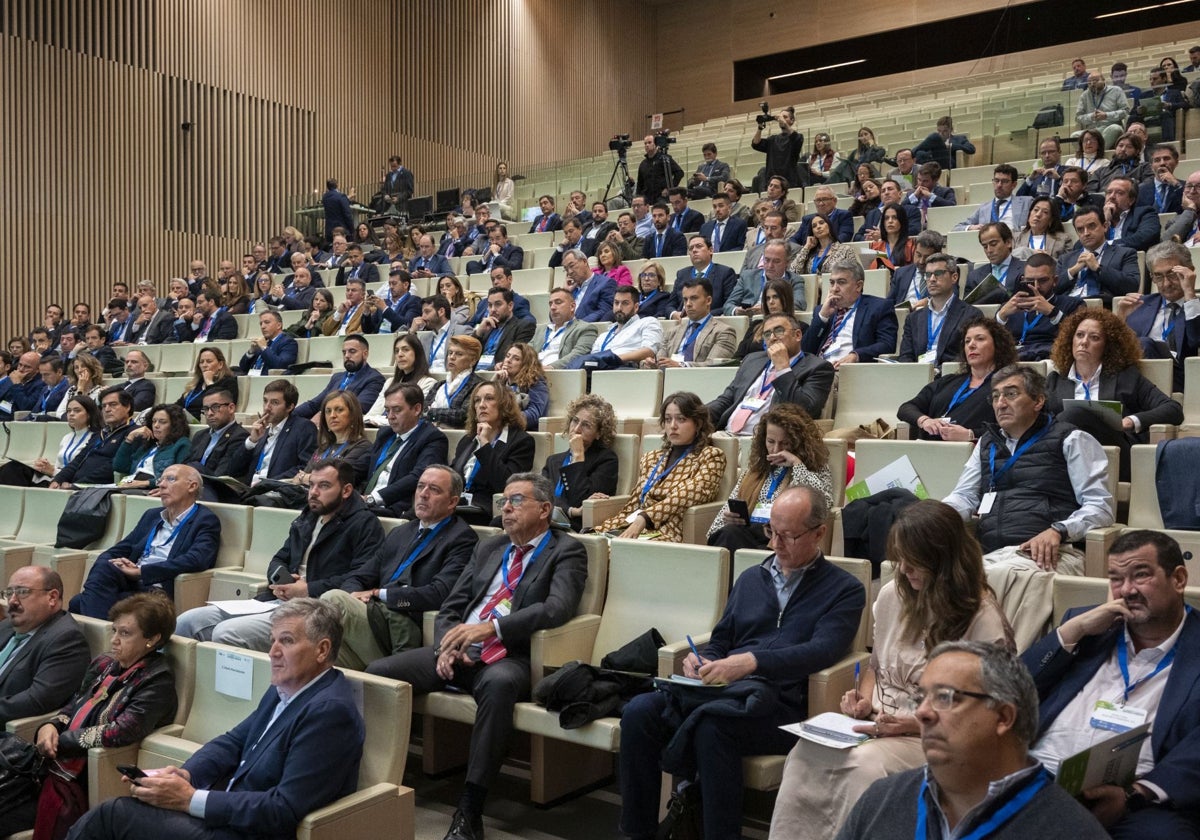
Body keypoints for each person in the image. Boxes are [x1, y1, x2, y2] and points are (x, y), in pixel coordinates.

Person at [621, 485, 864, 840]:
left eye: (787, 536)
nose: (773, 545)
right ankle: (636, 833)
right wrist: (704, 659)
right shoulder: (753, 577)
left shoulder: (844, 589)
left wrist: (751, 662)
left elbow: (822, 651)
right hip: (725, 691)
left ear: (820, 533)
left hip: (782, 704)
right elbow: (721, 639)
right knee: (639, 711)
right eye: (771, 532)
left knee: (713, 728)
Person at [772, 500, 1013, 840]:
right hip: (879, 722)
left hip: (935, 734)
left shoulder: (980, 616)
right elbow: (876, 667)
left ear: (943, 559)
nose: (904, 568)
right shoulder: (891, 595)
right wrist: (863, 699)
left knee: (864, 767)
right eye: (900, 558)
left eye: (915, 560)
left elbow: (984, 709)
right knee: (804, 755)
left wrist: (912, 722)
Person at [366, 473, 588, 840]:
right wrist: (444, 646)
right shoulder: (490, 546)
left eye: (517, 501)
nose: (507, 508)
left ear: (545, 509)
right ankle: (374, 783)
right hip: (459, 650)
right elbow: (452, 604)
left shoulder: (566, 550)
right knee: (379, 672)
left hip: (508, 656)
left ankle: (470, 810)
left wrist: (494, 629)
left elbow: (557, 608)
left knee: (500, 686)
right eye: (504, 501)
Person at [67, 598, 365, 840]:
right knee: (133, 806)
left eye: (285, 641)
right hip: (228, 812)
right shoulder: (287, 689)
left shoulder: (329, 712)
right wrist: (186, 776)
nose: (272, 652)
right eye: (272, 640)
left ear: (322, 649)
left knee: (115, 814)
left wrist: (189, 799)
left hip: (252, 831)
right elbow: (233, 741)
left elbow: (283, 809)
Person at [834, 640, 1108, 840]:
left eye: (945, 697)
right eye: (921, 698)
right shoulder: (883, 799)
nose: (922, 712)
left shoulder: (1072, 831)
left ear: (1003, 717)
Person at [1023, 530, 1200, 838]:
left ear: (1179, 579)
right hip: (1039, 776)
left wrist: (1134, 795)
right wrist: (1072, 631)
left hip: (1135, 800)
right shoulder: (1087, 627)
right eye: (1116, 579)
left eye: (1140, 575)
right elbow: (1010, 692)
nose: (1126, 590)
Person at [3, 593, 179, 838]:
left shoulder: (157, 681)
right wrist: (50, 726)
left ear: (152, 639)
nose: (114, 640)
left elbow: (122, 730)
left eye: (125, 633)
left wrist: (59, 742)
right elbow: (73, 705)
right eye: (114, 630)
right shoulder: (105, 663)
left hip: (85, 777)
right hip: (49, 767)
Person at [176, 460, 385, 650]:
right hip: (279, 600)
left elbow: (361, 577)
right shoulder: (308, 517)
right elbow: (279, 558)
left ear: (346, 490)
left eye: (324, 486)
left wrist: (308, 588)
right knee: (187, 621)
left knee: (226, 633)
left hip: (315, 609)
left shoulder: (364, 524)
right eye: (311, 485)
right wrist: (281, 578)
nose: (313, 492)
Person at [942, 364, 1113, 572]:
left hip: (1051, 553)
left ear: (1038, 401)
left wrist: (1059, 531)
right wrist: (934, 517)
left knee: (982, 580)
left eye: (1011, 394)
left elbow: (1100, 507)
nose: (1001, 404)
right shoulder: (987, 444)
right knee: (921, 573)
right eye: (995, 397)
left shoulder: (1071, 439)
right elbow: (964, 496)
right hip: (991, 552)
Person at [325, 465, 478, 669]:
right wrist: (353, 595)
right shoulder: (403, 531)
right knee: (316, 657)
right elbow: (360, 576)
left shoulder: (462, 538)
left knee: (332, 599)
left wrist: (379, 594)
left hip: (401, 625)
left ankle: (386, 669)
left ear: (452, 502)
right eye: (420, 486)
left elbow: (440, 593)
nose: (423, 494)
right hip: (372, 615)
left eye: (434, 489)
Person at [1044, 308, 1181, 479]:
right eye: (1079, 335)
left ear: (1108, 346)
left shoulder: (1126, 377)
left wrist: (1131, 421)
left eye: (1094, 338)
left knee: (1075, 414)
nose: (1084, 342)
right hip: (1066, 458)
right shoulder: (1055, 381)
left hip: (1114, 454)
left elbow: (1173, 409)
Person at [70, 465, 220, 618]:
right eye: (161, 480)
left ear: (192, 486)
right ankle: (105, 636)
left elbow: (197, 560)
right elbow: (121, 548)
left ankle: (101, 635)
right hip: (132, 581)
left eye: (170, 479)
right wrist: (117, 563)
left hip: (158, 587)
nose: (161, 485)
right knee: (105, 564)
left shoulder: (205, 520)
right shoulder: (152, 515)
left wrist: (142, 572)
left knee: (78, 602)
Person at [596, 391, 726, 541]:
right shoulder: (651, 457)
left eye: (681, 419)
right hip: (636, 525)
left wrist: (645, 517)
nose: (673, 426)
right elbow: (635, 502)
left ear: (698, 423)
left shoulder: (711, 456)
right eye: (668, 419)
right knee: (588, 543)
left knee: (616, 551)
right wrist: (606, 529)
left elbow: (690, 495)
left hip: (669, 530)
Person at [707, 403, 832, 553]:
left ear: (799, 442)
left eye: (785, 443)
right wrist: (729, 518)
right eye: (771, 442)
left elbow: (824, 503)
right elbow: (723, 516)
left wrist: (796, 464)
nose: (776, 449)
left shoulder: (814, 465)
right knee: (728, 533)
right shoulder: (758, 467)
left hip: (782, 537)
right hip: (748, 532)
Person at [899, 317, 1017, 442]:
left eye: (980, 339)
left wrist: (971, 435)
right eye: (967, 341)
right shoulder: (948, 381)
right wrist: (925, 420)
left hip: (975, 455)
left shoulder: (1007, 387)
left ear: (998, 345)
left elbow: (1011, 428)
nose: (971, 345)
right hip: (929, 451)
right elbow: (906, 408)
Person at [0, 567, 90, 728]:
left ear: (52, 597)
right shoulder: (7, 626)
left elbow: (37, 700)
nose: (12, 601)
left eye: (22, 592)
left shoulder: (67, 640)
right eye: (9, 593)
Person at [1117, 241, 1199, 392]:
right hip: (1137, 377)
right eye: (1158, 276)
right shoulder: (1139, 304)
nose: (1166, 283)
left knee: (1144, 343)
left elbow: (1196, 341)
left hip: (1182, 381)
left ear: (1190, 272)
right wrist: (1120, 319)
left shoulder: (1196, 307)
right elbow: (1118, 350)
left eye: (1172, 274)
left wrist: (1189, 294)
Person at [450, 382, 535, 525]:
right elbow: (453, 475)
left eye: (489, 398)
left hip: (487, 508)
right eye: (477, 400)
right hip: (457, 504)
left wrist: (485, 444)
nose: (482, 405)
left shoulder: (522, 442)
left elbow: (506, 484)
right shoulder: (468, 440)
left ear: (504, 404)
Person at [362, 382, 448, 518]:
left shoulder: (432, 438)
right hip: (366, 503)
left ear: (416, 409)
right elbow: (363, 465)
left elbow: (418, 477)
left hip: (395, 508)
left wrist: (373, 499)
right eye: (387, 410)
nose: (390, 416)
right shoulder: (385, 434)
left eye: (396, 410)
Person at [542, 394, 619, 532]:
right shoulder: (553, 461)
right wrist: (571, 511)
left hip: (576, 527)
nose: (576, 429)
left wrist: (578, 456)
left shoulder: (607, 460)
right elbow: (540, 496)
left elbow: (582, 502)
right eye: (575, 421)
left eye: (586, 425)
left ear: (599, 433)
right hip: (545, 518)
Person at [803, 258, 899, 368]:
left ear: (858, 286)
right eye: (832, 283)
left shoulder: (879, 307)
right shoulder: (821, 310)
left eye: (841, 282)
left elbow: (887, 345)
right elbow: (806, 349)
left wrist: (856, 355)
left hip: (850, 371)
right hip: (818, 370)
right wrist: (822, 317)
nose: (834, 289)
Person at [997, 251, 1086, 362]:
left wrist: (1053, 312)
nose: (1036, 286)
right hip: (1012, 358)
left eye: (1042, 280)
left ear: (1055, 281)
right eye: (1030, 281)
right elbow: (991, 339)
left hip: (1050, 357)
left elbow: (1080, 337)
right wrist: (1001, 316)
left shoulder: (1073, 304)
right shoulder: (1010, 306)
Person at [897, 253, 982, 366]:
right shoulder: (913, 318)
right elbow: (905, 356)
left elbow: (966, 356)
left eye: (938, 273)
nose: (932, 279)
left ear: (954, 277)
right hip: (917, 377)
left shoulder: (971, 315)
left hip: (950, 378)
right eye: (928, 274)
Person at [0, 393, 99, 487]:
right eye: (69, 411)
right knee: (11, 468)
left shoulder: (95, 439)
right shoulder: (67, 437)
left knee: (13, 471)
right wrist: (45, 466)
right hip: (56, 478)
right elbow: (58, 465)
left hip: (69, 482)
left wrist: (52, 471)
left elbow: (83, 472)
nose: (71, 414)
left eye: (77, 410)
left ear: (89, 414)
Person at [50, 387, 137, 489]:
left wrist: (76, 484)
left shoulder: (134, 433)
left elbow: (112, 468)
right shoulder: (100, 434)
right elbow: (78, 460)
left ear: (127, 407)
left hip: (98, 489)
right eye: (104, 406)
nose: (107, 409)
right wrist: (58, 479)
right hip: (77, 485)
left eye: (113, 405)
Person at [240, 379, 318, 488]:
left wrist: (268, 483)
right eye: (265, 401)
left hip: (276, 491)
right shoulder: (262, 431)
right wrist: (251, 441)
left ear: (290, 407)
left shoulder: (303, 428)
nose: (267, 407)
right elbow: (235, 469)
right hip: (249, 490)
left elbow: (305, 467)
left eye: (274, 402)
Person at [1056, 206, 1140, 304]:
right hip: (1069, 308)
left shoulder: (1125, 253)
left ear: (1105, 226)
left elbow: (1132, 286)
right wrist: (1073, 271)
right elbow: (1051, 290)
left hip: (1103, 308)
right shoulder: (1065, 259)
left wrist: (1098, 268)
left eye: (1091, 226)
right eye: (1080, 229)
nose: (1086, 233)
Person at [566, 285, 662, 371]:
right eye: (616, 303)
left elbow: (649, 351)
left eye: (625, 303)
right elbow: (594, 358)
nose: (619, 308)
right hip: (598, 372)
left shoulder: (647, 322)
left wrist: (614, 358)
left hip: (626, 370)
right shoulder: (604, 335)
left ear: (636, 307)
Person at [292, 334, 385, 420]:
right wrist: (288, 415)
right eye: (344, 352)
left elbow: (358, 408)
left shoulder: (374, 379)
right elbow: (314, 404)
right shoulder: (337, 377)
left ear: (365, 354)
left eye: (352, 351)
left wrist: (323, 416)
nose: (347, 356)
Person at [650, 277, 737, 368]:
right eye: (685, 299)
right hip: (667, 378)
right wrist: (651, 364)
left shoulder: (724, 332)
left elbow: (714, 366)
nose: (688, 304)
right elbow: (660, 360)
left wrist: (681, 366)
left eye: (694, 298)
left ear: (708, 300)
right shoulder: (672, 332)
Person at [363, 333, 436, 426]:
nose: (400, 354)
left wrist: (376, 421)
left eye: (405, 350)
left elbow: (413, 418)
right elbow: (372, 414)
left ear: (417, 353)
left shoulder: (428, 383)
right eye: (397, 351)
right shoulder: (389, 382)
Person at [113, 404, 192, 490]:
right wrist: (129, 438)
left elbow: (178, 478)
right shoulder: (149, 444)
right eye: (154, 421)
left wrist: (146, 483)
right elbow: (119, 466)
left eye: (162, 422)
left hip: (152, 489)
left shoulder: (181, 444)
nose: (156, 425)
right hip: (132, 484)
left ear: (174, 425)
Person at [727, 237, 807, 317]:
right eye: (767, 260)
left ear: (787, 263)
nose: (770, 266)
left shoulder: (794, 280)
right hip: (748, 321)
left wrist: (766, 308)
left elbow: (799, 305)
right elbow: (728, 305)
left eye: (776, 261)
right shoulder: (748, 276)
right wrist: (736, 311)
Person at [185, 389, 249, 481]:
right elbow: (185, 465)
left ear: (231, 408)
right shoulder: (200, 435)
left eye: (215, 407)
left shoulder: (239, 436)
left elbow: (221, 475)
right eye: (206, 409)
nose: (210, 413)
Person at [425, 335, 484, 429]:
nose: (452, 357)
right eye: (450, 353)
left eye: (459, 354)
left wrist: (432, 412)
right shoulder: (438, 385)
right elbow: (423, 411)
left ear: (473, 360)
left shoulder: (478, 385)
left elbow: (463, 416)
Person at [471, 287, 536, 371]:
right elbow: (466, 354)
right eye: (490, 305)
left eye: (498, 304)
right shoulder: (485, 327)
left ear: (510, 306)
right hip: (474, 375)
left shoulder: (523, 326)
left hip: (498, 375)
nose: (493, 309)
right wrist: (478, 332)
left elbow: (515, 357)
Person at [953, 165, 1032, 232]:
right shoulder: (983, 208)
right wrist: (972, 227)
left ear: (1014, 185)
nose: (999, 185)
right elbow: (957, 228)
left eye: (1004, 181)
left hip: (1016, 242)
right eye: (996, 180)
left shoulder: (1027, 202)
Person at [964, 223, 1026, 304]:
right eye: (985, 247)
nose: (989, 250)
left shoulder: (1026, 269)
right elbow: (967, 309)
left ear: (1008, 242)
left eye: (993, 244)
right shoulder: (973, 277)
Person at [734, 278, 795, 360]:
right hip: (751, 369)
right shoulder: (755, 325)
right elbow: (738, 357)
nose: (771, 302)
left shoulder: (798, 327)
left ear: (786, 299)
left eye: (775, 297)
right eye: (768, 298)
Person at [539, 287, 599, 370]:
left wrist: (550, 367)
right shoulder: (540, 330)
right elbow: (524, 352)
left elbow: (578, 355)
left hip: (558, 374)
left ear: (572, 306)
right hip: (530, 374)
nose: (552, 307)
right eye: (550, 304)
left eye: (558, 302)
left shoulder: (586, 329)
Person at [493, 343, 549, 430]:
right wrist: (495, 380)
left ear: (526, 364)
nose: (508, 360)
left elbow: (534, 413)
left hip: (521, 432)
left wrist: (506, 420)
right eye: (507, 356)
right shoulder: (501, 381)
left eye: (516, 359)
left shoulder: (535, 382)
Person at [175, 346, 238, 422]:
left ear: (220, 364)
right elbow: (178, 405)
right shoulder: (196, 383)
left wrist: (209, 382)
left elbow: (218, 405)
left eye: (209, 361)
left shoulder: (229, 382)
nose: (204, 365)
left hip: (210, 422)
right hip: (186, 422)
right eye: (201, 362)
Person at [751, 105, 804, 188]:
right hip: (772, 182)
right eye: (781, 117)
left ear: (792, 120)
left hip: (789, 182)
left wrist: (785, 123)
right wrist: (760, 128)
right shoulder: (773, 139)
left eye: (785, 117)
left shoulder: (797, 137)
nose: (781, 119)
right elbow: (756, 144)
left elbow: (796, 139)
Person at [1103, 176, 1160, 253]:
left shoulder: (1145, 213)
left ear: (1131, 200)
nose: (1112, 196)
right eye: (1109, 192)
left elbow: (1145, 237)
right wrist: (1105, 221)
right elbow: (1084, 244)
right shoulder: (1098, 218)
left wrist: (1108, 245)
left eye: (1119, 193)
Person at [1073, 71, 1129, 147]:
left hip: (1109, 127)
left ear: (1103, 80)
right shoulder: (1084, 95)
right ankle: (1090, 154)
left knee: (1115, 128)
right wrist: (1091, 116)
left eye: (1095, 80)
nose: (1092, 83)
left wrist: (1106, 115)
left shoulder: (1116, 90)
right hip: (1092, 130)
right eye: (1089, 82)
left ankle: (1099, 153)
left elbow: (1125, 111)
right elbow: (1078, 117)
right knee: (1075, 135)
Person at [791, 212, 857, 277]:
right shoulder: (809, 254)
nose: (818, 227)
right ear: (813, 232)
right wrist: (806, 247)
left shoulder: (846, 250)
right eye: (814, 226)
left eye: (821, 223)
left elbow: (853, 276)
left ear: (829, 225)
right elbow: (793, 272)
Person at [237, 310, 298, 375]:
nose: (262, 326)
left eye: (267, 322)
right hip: (251, 378)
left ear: (279, 325)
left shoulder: (288, 342)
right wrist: (251, 351)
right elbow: (243, 367)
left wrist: (264, 348)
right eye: (261, 324)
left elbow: (281, 365)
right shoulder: (263, 342)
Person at [1012, 196, 1071, 261]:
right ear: (1029, 214)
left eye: (1045, 212)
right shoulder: (1015, 237)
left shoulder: (1063, 239)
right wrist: (1031, 253)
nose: (1038, 214)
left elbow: (1066, 265)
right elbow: (1007, 258)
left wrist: (1046, 258)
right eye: (1036, 210)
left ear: (1051, 219)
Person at [635, 134, 684, 204]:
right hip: (647, 198)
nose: (647, 145)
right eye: (645, 143)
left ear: (655, 144)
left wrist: (669, 189)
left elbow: (679, 173)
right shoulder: (643, 164)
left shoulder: (664, 158)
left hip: (661, 197)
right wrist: (639, 197)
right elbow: (640, 184)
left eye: (649, 142)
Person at [1138, 144, 1183, 214]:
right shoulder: (1140, 190)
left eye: (1166, 158)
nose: (1162, 163)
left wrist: (1175, 184)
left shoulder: (1185, 187)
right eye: (1157, 160)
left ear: (1176, 162)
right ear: (1151, 166)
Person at [869, 203, 915, 271]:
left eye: (895, 217)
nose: (890, 221)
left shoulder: (911, 245)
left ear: (902, 221)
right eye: (886, 218)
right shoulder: (875, 247)